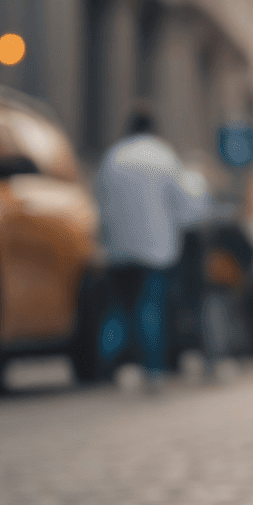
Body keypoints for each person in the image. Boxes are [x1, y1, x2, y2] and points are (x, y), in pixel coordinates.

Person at [94, 106, 209, 388]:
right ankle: (152, 367)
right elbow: (188, 207)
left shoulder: (114, 157)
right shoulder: (164, 157)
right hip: (155, 248)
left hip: (118, 248)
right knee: (150, 307)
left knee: (118, 308)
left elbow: (99, 199)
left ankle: (103, 366)